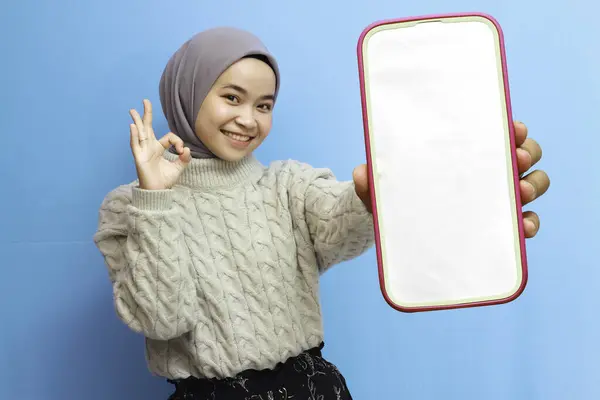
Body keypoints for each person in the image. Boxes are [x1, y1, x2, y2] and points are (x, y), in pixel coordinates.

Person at [93, 27, 550, 399]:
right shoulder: (128, 207)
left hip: (312, 388)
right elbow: (163, 320)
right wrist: (156, 199)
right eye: (232, 97)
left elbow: (343, 216)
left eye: (264, 105)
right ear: (186, 92)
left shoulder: (288, 185)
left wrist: (402, 186)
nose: (249, 119)